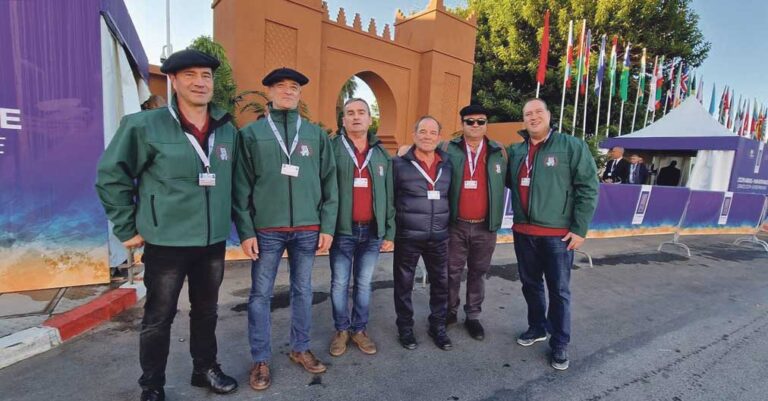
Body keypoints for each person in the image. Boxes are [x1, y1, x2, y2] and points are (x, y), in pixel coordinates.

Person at [96, 49, 239, 401]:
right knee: (159, 317)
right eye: (190, 75)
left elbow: (234, 181)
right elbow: (111, 176)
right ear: (173, 81)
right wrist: (126, 227)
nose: (200, 82)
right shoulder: (144, 126)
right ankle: (152, 385)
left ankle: (204, 368)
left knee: (206, 311)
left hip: (211, 241)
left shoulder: (226, 129)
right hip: (166, 242)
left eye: (206, 75)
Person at [233, 67, 338, 391]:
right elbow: (241, 186)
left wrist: (327, 226)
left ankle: (300, 347)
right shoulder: (251, 135)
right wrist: (246, 231)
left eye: (294, 86)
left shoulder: (315, 135)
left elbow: (330, 182)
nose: (288, 91)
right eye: (280, 86)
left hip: (307, 228)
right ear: (269, 92)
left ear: (300, 93)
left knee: (303, 290)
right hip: (267, 229)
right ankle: (260, 358)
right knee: (260, 295)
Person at [506, 98, 599, 371]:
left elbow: (588, 187)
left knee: (559, 291)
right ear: (523, 119)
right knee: (530, 284)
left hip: (558, 235)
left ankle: (559, 342)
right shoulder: (516, 151)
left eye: (538, 112)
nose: (533, 117)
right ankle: (537, 327)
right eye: (528, 113)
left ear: (549, 115)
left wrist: (579, 228)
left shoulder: (572, 146)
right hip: (523, 231)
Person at [327, 98, 395, 357]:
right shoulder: (332, 149)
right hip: (341, 231)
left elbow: (389, 196)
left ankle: (359, 329)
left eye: (361, 112)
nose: (356, 117)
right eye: (350, 113)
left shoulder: (381, 154)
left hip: (372, 232)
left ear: (369, 118)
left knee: (364, 284)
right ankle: (341, 330)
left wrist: (389, 231)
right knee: (339, 283)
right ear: (343, 120)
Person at [441, 104, 508, 341]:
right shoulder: (447, 148)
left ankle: (473, 316)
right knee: (451, 272)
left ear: (486, 124)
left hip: (485, 227)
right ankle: (449, 312)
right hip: (455, 225)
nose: (476, 125)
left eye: (481, 121)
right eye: (470, 121)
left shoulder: (499, 151)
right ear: (462, 124)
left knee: (478, 272)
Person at [392, 116, 453, 351]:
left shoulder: (447, 164)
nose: (428, 136)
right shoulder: (398, 164)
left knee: (441, 283)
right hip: (408, 235)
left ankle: (437, 326)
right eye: (423, 131)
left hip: (439, 236)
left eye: (433, 132)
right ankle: (405, 328)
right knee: (403, 284)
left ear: (439, 137)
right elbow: (390, 199)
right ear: (414, 134)